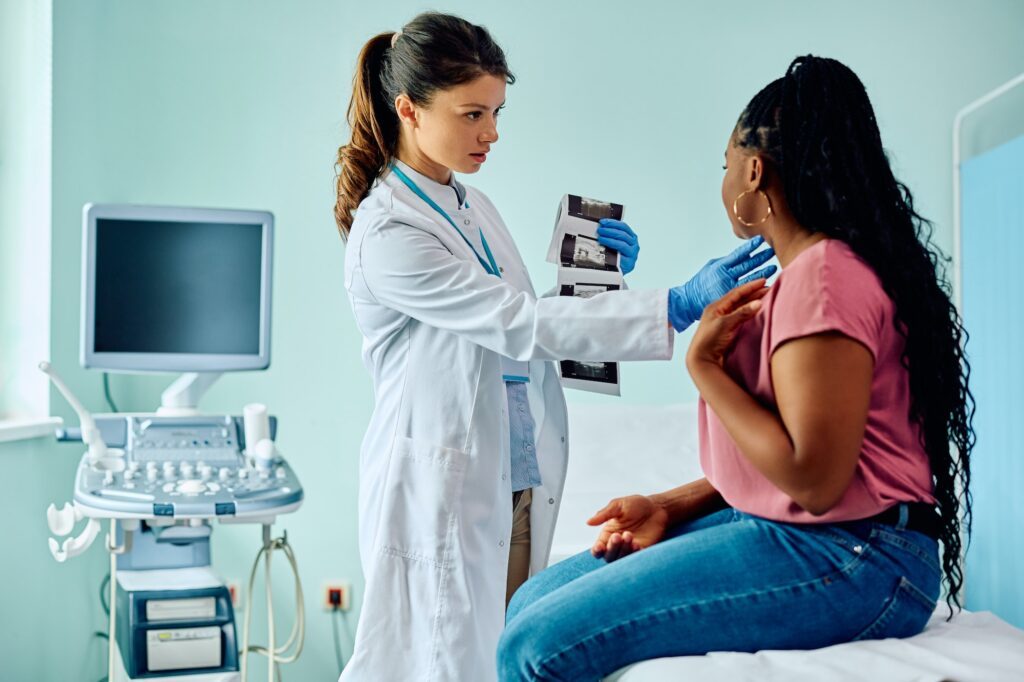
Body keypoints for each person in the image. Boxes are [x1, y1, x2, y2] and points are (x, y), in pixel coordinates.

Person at [497, 55, 975, 681]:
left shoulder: (824, 281)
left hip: (859, 556)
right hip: (828, 535)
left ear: (753, 172)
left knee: (531, 648)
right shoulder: (808, 276)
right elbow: (800, 452)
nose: (723, 181)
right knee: (528, 603)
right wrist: (672, 505)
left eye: (725, 166)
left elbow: (815, 480)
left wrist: (706, 366)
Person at [333, 12, 776, 681]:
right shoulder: (388, 233)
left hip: (513, 471)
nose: (492, 133)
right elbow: (521, 324)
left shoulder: (471, 206)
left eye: (498, 112)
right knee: (446, 661)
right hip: (442, 485)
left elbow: (528, 336)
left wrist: (605, 278)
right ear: (409, 111)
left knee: (508, 650)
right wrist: (673, 305)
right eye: (473, 114)